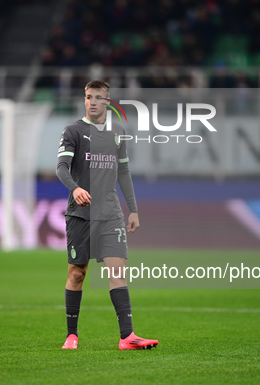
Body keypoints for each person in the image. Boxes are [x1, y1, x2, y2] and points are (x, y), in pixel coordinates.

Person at [56, 80, 158, 350]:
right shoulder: (73, 131)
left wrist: (133, 209)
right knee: (77, 273)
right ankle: (71, 335)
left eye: (98, 97)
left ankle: (127, 337)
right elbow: (61, 168)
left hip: (111, 214)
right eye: (88, 96)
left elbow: (123, 173)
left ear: (107, 102)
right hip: (81, 215)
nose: (91, 101)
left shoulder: (118, 132)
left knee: (118, 272)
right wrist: (75, 188)